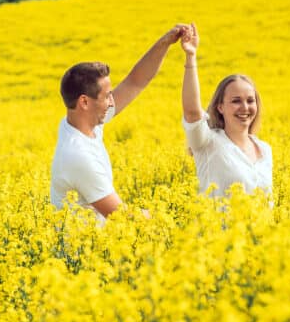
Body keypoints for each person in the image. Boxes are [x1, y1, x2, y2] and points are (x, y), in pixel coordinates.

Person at [51, 25, 186, 222]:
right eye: (107, 96)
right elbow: (123, 217)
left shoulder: (81, 122)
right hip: (86, 251)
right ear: (84, 102)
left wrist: (165, 42)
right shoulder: (77, 156)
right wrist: (175, 215)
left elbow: (135, 82)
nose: (112, 102)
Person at [181, 23, 272, 199]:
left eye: (250, 101)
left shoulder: (265, 150)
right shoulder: (208, 144)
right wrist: (191, 57)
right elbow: (192, 113)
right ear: (220, 107)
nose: (245, 108)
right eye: (236, 101)